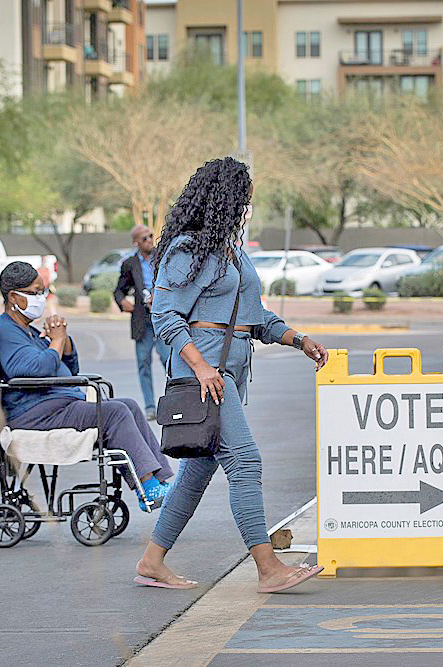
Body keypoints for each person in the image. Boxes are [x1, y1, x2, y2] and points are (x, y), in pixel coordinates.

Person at [134, 157, 329, 593]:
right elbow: (165, 315)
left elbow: (255, 318)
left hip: (230, 372)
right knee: (244, 459)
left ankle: (152, 560)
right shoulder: (188, 249)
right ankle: (268, 568)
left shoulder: (233, 252)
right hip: (205, 371)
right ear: (226, 199)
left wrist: (298, 339)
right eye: (244, 199)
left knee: (197, 471)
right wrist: (201, 367)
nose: (247, 207)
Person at [0, 262, 173, 511]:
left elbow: (69, 368)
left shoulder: (27, 331)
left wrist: (63, 343)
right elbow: (36, 370)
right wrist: (55, 341)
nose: (41, 298)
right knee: (114, 413)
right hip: (36, 412)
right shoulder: (6, 331)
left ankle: (158, 481)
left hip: (56, 404)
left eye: (42, 291)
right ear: (14, 296)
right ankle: (147, 486)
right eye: (35, 293)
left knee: (128, 405)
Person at [114, 224, 169, 420]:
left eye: (151, 236)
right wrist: (122, 301)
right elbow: (119, 289)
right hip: (141, 320)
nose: (149, 240)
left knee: (168, 360)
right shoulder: (129, 263)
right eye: (144, 238)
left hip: (162, 317)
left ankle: (172, 402)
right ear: (135, 242)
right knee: (143, 364)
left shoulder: (162, 257)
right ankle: (150, 407)